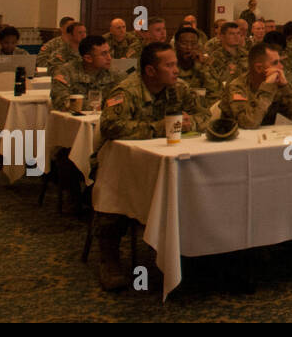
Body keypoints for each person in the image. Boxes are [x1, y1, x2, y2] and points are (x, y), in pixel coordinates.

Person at [95, 42, 209, 290]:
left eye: (176, 64)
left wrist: (193, 123)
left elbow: (207, 116)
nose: (176, 70)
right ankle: (109, 258)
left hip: (166, 158)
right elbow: (111, 127)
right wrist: (159, 127)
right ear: (150, 71)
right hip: (122, 162)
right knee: (115, 190)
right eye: (169, 65)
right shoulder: (126, 91)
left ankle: (200, 251)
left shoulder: (179, 89)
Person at [221, 43, 292, 129]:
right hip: (236, 141)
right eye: (275, 63)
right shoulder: (237, 87)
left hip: (266, 140)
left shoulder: (278, 85)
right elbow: (249, 123)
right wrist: (267, 87)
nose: (281, 67)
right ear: (259, 68)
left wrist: (286, 87)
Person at [51, 34, 118, 111]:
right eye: (103, 54)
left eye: (109, 52)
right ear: (88, 58)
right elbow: (61, 102)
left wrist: (106, 105)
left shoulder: (113, 73)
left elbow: (121, 98)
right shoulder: (66, 72)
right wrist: (94, 107)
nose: (109, 58)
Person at [174, 27, 222, 106]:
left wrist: (203, 67)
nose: (189, 48)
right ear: (176, 45)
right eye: (184, 43)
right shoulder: (170, 66)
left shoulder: (204, 64)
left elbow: (216, 94)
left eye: (193, 44)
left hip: (201, 111)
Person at [206, 20, 248, 86]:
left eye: (238, 33)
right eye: (232, 34)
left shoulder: (246, 54)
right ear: (222, 36)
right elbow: (213, 80)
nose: (236, 36)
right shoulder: (216, 57)